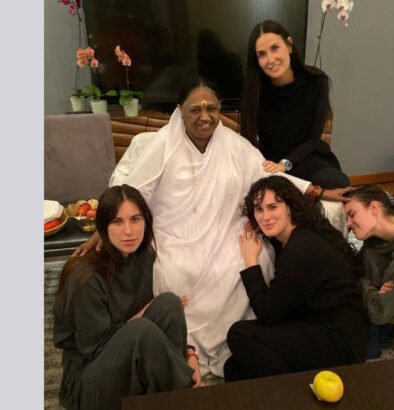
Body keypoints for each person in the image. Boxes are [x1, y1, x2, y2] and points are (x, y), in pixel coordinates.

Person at [73, 77, 350, 377]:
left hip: (227, 226)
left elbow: (268, 177)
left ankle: (245, 340)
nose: (204, 116)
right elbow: (133, 191)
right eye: (195, 109)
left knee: (254, 258)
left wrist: (317, 191)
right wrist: (103, 228)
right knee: (172, 270)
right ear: (180, 111)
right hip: (175, 232)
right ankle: (184, 347)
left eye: (212, 108)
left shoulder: (234, 144)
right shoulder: (162, 144)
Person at [54, 184, 203, 410]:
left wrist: (189, 354)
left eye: (135, 219)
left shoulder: (143, 256)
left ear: (146, 221)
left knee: (169, 304)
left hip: (124, 361)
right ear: (103, 226)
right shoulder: (85, 278)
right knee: (141, 330)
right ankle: (186, 394)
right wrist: (143, 314)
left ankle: (173, 391)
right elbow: (96, 349)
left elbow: (147, 330)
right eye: (117, 221)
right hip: (87, 383)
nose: (129, 231)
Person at [224, 175, 367, 381]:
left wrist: (251, 262)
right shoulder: (300, 234)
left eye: (273, 207)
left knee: (239, 334)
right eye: (259, 210)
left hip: (339, 343)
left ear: (289, 207)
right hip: (322, 328)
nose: (265, 216)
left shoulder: (301, 248)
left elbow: (266, 312)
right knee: (234, 368)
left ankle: (291, 390)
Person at [240, 20, 350, 189]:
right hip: (270, 163)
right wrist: (267, 166)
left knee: (339, 182)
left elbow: (313, 139)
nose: (270, 59)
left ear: (289, 45)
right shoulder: (255, 91)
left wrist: (285, 164)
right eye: (262, 54)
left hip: (306, 157)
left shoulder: (317, 81)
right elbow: (248, 141)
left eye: (275, 48)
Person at [343, 185, 394, 357]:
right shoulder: (375, 245)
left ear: (374, 207)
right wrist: (376, 292)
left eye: (352, 214)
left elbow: (379, 310)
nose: (349, 224)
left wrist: (363, 285)